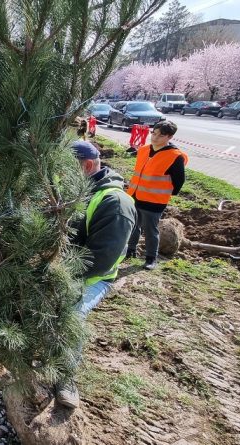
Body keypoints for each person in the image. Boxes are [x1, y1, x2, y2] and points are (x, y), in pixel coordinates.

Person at [59, 141, 136, 409]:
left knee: (72, 313)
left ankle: (66, 376)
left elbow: (101, 260)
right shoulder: (74, 190)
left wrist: (57, 273)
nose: (60, 177)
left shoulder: (114, 203)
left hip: (93, 278)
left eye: (67, 170)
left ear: (88, 166)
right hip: (62, 267)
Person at [126, 121, 187, 270]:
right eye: (154, 133)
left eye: (161, 135)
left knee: (151, 230)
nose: (155, 137)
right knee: (134, 225)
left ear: (169, 137)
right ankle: (130, 250)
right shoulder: (144, 150)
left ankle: (151, 258)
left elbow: (179, 180)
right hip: (135, 195)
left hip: (154, 201)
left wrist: (167, 193)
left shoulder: (174, 156)